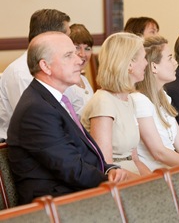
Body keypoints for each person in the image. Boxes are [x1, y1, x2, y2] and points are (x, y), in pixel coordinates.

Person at [7, 32, 131, 205]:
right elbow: (71, 169)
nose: (79, 59)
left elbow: (83, 154)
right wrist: (109, 180)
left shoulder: (53, 100)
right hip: (54, 205)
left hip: (74, 193)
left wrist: (110, 169)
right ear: (46, 66)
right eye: (68, 55)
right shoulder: (36, 109)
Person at [0, 9, 82, 141]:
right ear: (52, 36)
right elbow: (38, 123)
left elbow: (75, 107)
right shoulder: (21, 72)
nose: (71, 41)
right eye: (68, 35)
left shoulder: (61, 70)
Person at [81, 32, 150, 175]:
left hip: (132, 174)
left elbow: (135, 158)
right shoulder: (103, 102)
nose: (146, 63)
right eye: (144, 58)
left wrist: (157, 183)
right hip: (117, 180)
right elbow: (107, 166)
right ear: (130, 63)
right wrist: (148, 186)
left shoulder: (129, 99)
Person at [132, 36, 179, 171]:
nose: (175, 63)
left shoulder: (163, 96)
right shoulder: (139, 100)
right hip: (156, 178)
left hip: (171, 172)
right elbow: (159, 153)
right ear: (154, 66)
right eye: (170, 58)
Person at [66, 23, 94, 116]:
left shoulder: (84, 80)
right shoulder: (64, 84)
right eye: (77, 47)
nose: (83, 54)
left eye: (87, 48)